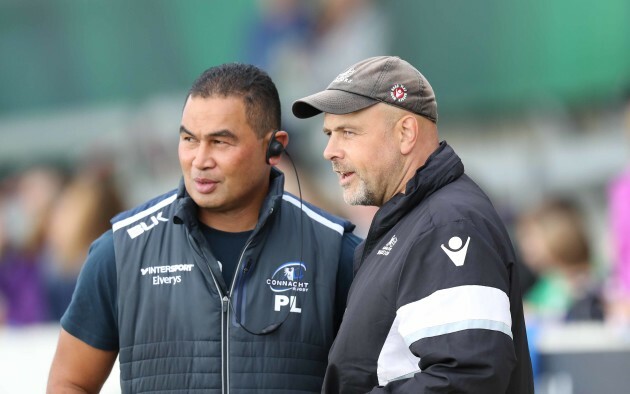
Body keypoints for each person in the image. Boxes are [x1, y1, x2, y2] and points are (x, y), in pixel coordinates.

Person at [47, 63, 361, 393]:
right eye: (189, 139)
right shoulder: (121, 250)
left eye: (220, 142)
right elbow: (70, 382)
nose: (199, 159)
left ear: (274, 148)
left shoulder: (334, 252)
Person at [292, 56, 534, 393]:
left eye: (348, 132)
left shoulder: (447, 223)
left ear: (406, 133)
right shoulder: (413, 220)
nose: (329, 151)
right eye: (329, 134)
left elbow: (466, 375)